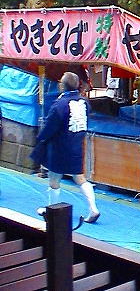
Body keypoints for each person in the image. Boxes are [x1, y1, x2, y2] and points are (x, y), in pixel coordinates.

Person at [33, 72, 100, 223]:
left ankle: (52, 211)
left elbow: (50, 126)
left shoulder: (60, 104)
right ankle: (93, 208)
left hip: (59, 146)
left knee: (54, 179)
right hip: (76, 145)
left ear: (62, 86)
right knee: (79, 177)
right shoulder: (84, 102)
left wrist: (40, 138)